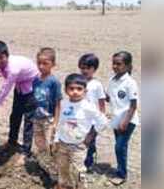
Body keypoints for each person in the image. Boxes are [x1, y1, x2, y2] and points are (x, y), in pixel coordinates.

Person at [0, 41, 39, 153]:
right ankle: (12, 142)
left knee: (29, 119)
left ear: (7, 55)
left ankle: (26, 150)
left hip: (32, 87)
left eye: (1, 58)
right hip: (20, 86)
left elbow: (4, 91)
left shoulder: (13, 68)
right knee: (15, 115)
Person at [54, 74, 108, 189]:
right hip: (63, 143)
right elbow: (61, 122)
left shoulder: (88, 107)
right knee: (62, 168)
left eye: (79, 89)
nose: (75, 92)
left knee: (79, 171)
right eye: (71, 88)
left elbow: (103, 121)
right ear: (66, 90)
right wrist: (56, 139)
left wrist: (90, 136)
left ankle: (82, 186)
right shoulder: (64, 104)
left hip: (78, 146)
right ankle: (64, 185)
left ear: (85, 91)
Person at [107, 51, 139, 185]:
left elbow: (133, 105)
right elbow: (110, 98)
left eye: (118, 64)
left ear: (128, 66)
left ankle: (122, 174)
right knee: (120, 146)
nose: (115, 66)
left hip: (128, 120)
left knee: (120, 146)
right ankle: (120, 169)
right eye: (113, 63)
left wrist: (125, 121)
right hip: (116, 119)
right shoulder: (112, 80)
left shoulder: (130, 83)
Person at [28, 47, 62, 166]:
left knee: (50, 143)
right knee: (39, 142)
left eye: (45, 63)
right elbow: (35, 99)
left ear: (53, 64)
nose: (41, 66)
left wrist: (55, 122)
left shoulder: (54, 82)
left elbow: (58, 103)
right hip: (37, 118)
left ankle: (55, 169)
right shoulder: (35, 80)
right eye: (39, 63)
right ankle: (44, 165)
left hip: (49, 119)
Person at [78, 53, 106, 171]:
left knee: (89, 141)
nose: (84, 70)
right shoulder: (78, 82)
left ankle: (89, 162)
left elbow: (101, 102)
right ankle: (79, 160)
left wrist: (102, 116)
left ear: (94, 69)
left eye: (87, 68)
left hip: (92, 120)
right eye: (82, 68)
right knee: (78, 139)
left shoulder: (96, 85)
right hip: (80, 117)